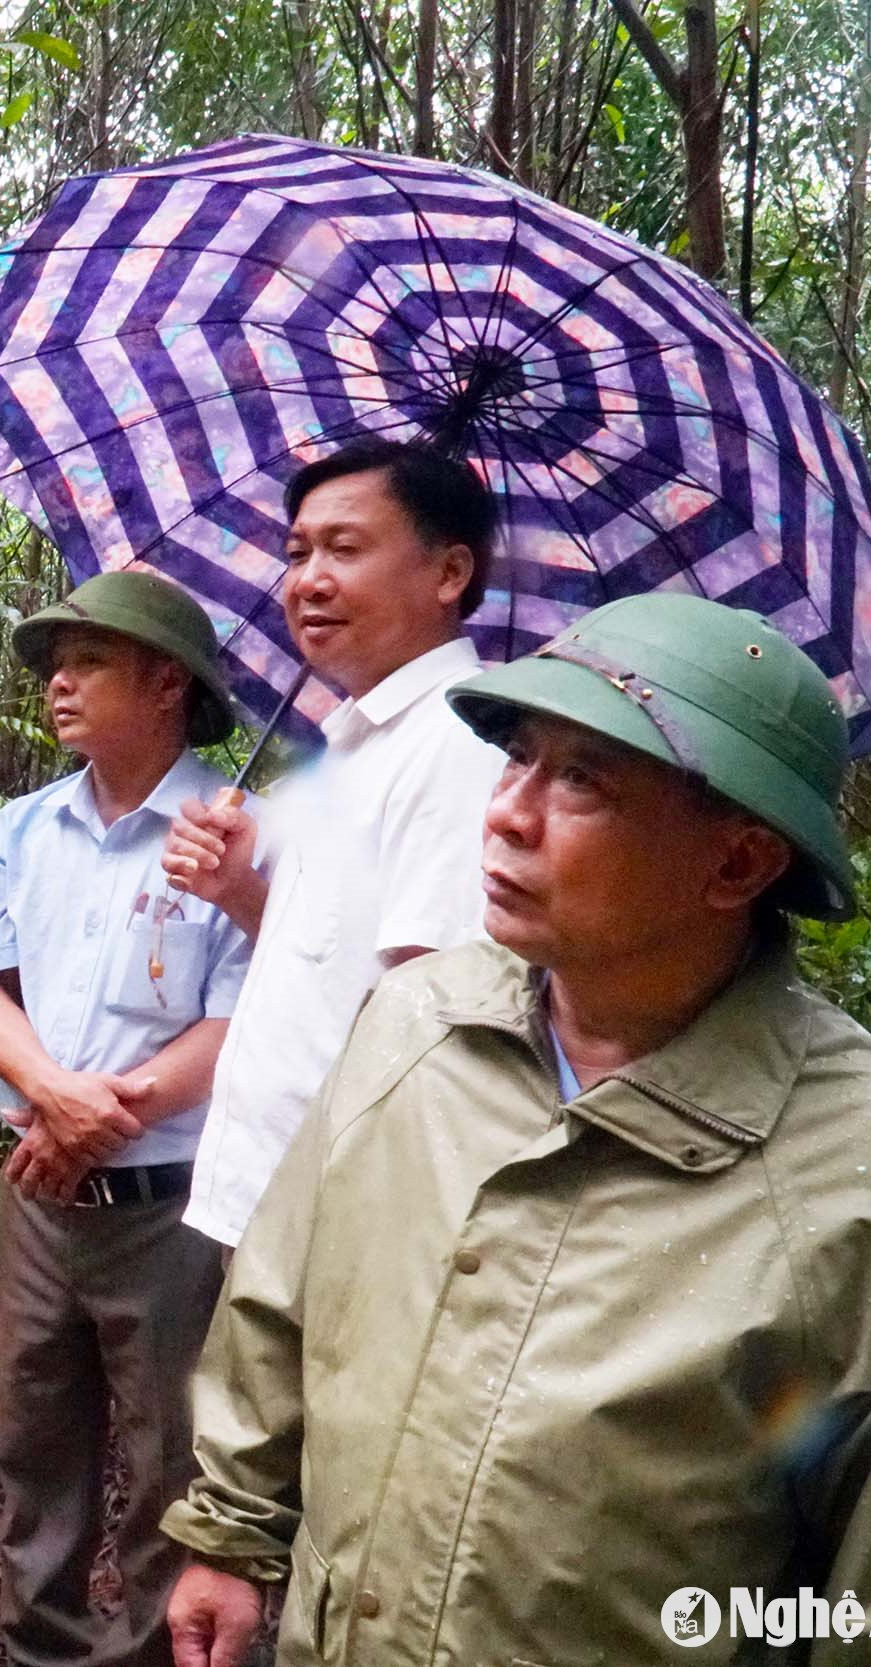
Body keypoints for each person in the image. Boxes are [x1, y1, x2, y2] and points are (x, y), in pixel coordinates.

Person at [161, 594, 871, 1667]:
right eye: (518, 757)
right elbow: (282, 1293)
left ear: (736, 864)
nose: (506, 812)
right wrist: (230, 1531)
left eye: (582, 778)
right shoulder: (414, 1023)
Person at [0, 572, 253, 1667]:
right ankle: (35, 1643)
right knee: (32, 1438)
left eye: (87, 660)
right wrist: (53, 1094)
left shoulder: (237, 839)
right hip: (38, 1189)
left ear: (165, 679)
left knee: (170, 1451)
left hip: (170, 1205)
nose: (58, 683)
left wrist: (102, 1115)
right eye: (54, 663)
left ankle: (148, 1649)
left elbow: (242, 1020)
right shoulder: (27, 825)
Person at [163, 438, 504, 1249]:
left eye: (345, 548)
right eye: (298, 550)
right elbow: (333, 962)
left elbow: (432, 1012)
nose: (309, 578)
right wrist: (240, 887)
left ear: (450, 574)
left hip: (339, 1224)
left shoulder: (463, 743)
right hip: (262, 1201)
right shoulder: (351, 741)